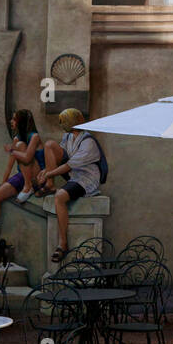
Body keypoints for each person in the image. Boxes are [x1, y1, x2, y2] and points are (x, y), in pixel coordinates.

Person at [37, 109, 102, 263]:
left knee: (60, 197)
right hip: (74, 175)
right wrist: (46, 172)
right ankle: (50, 185)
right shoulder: (68, 137)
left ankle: (63, 243)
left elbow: (68, 166)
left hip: (85, 179)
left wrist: (47, 174)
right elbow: (58, 157)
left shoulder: (88, 142)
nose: (61, 124)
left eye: (64, 121)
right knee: (50, 145)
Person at [0, 109, 45, 244]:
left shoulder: (34, 137)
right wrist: (3, 183)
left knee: (20, 146)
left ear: (21, 122)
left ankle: (28, 187)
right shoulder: (17, 139)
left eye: (14, 119)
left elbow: (28, 157)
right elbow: (10, 165)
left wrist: (12, 150)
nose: (11, 121)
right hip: (22, 175)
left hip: (37, 176)